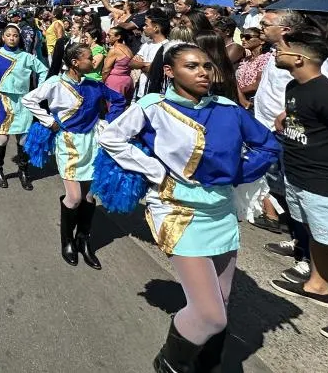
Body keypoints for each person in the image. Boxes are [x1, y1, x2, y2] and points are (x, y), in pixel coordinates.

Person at [99, 44, 281, 372]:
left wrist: (238, 172)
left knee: (221, 305)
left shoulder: (227, 108)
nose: (203, 73)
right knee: (209, 313)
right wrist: (154, 170)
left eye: (208, 67)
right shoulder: (153, 106)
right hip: (177, 209)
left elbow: (266, 145)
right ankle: (169, 364)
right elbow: (111, 137)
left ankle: (206, 366)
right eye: (192, 66)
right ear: (169, 71)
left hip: (221, 211)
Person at [267, 31, 328, 346]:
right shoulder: (294, 86)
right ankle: (318, 285)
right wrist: (286, 119)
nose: (275, 52)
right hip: (302, 177)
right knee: (321, 233)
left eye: (280, 49)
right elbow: (302, 119)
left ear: (298, 58)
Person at [22, 43, 126, 269]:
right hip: (68, 143)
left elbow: (118, 100)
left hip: (93, 143)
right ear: (75, 63)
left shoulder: (94, 84)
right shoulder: (55, 83)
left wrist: (108, 122)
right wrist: (48, 120)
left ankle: (83, 239)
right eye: (90, 58)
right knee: (75, 197)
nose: (95, 61)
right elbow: (28, 100)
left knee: (88, 197)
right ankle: (67, 240)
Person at [0, 23, 50, 190]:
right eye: (8, 35)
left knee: (23, 137)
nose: (12, 38)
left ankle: (23, 171)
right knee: (3, 137)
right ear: (3, 37)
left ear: (19, 38)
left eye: (15, 35)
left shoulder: (26, 57)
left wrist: (38, 91)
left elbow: (43, 70)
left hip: (23, 101)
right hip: (3, 100)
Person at [129, 9, 169, 100]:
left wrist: (141, 65)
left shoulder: (166, 47)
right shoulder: (146, 45)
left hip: (157, 94)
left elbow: (157, 70)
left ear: (156, 28)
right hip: (141, 91)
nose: (143, 28)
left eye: (146, 25)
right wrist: (145, 64)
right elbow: (131, 63)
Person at [236, 27, 269, 109]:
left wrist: (236, 92)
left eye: (247, 37)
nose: (243, 39)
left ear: (262, 41)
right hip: (239, 100)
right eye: (242, 36)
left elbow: (257, 85)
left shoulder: (266, 58)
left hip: (254, 103)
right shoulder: (245, 59)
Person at [102, 26, 134, 101]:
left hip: (115, 83)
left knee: (114, 108)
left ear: (118, 37)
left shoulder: (114, 50)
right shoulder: (128, 49)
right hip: (127, 81)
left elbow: (106, 70)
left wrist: (102, 83)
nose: (107, 37)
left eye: (109, 35)